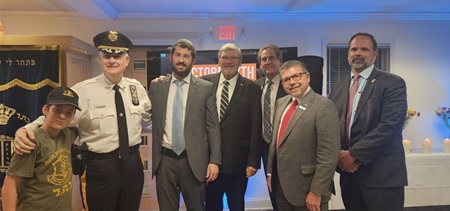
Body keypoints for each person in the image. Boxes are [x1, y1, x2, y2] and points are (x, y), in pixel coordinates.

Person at [13, 30, 152, 211]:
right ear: (100, 59)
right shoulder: (83, 91)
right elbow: (57, 116)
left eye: (117, 56)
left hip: (133, 164)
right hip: (100, 166)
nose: (112, 60)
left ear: (127, 60)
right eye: (107, 56)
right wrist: (25, 129)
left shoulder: (137, 89)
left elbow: (149, 121)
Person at [328, 32, 407, 211]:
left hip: (382, 176)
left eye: (364, 49)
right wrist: (340, 157)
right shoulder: (339, 87)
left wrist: (353, 154)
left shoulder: (392, 83)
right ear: (348, 53)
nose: (358, 53)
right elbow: (333, 125)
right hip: (349, 175)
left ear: (374, 54)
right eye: (354, 49)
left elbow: (390, 125)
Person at [148, 39, 221, 211]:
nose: (182, 60)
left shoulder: (205, 88)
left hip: (194, 161)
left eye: (186, 56)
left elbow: (213, 127)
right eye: (178, 55)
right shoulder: (157, 87)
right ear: (171, 57)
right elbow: (146, 116)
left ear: (193, 61)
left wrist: (215, 161)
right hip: (165, 161)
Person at [266, 60, 340, 211]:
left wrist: (317, 191)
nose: (291, 82)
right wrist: (270, 173)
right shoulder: (282, 103)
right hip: (281, 188)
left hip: (308, 191)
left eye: (296, 76)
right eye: (286, 79)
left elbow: (328, 155)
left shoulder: (323, 106)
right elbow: (275, 142)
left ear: (308, 77)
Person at [201, 43, 262, 211]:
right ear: (219, 61)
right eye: (224, 57)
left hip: (238, 162)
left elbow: (256, 126)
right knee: (211, 205)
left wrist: (253, 161)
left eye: (233, 57)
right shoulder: (204, 84)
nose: (229, 61)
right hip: (209, 161)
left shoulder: (253, 88)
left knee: (236, 205)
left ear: (240, 61)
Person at [2, 87, 80, 211]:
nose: (62, 116)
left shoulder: (68, 134)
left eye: (68, 113)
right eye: (57, 110)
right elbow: (9, 185)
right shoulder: (31, 141)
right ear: (45, 109)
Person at [254, 44, 287, 211]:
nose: (267, 62)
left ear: (280, 61)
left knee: (288, 190)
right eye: (263, 59)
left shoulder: (290, 84)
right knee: (272, 187)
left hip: (286, 145)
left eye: (271, 58)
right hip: (265, 147)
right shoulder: (256, 85)